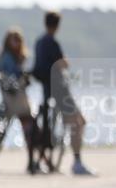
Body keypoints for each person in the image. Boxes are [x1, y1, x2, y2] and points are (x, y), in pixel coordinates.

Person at [32, 11, 94, 176]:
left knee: (50, 123)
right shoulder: (52, 43)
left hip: (46, 90)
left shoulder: (39, 42)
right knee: (79, 122)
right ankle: (77, 161)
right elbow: (62, 64)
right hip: (60, 89)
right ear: (57, 25)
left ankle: (42, 158)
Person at [0, 27, 37, 173]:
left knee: (27, 127)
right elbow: (14, 77)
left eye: (19, 40)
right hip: (14, 99)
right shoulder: (7, 58)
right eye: (14, 40)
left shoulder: (13, 57)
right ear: (8, 42)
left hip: (14, 98)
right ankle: (33, 161)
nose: (17, 43)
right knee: (29, 126)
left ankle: (34, 160)